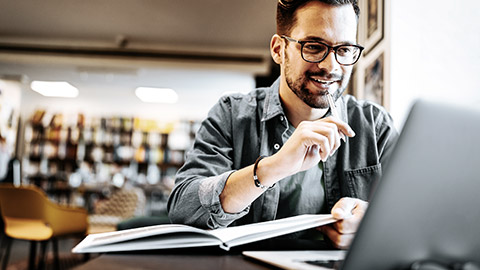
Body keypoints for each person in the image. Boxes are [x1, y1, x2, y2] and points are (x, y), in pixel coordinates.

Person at [167, 0, 398, 249]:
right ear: (279, 50)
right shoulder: (232, 114)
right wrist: (271, 169)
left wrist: (371, 223)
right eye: (313, 46)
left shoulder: (375, 125)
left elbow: (414, 218)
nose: (330, 66)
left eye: (343, 50)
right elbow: (183, 208)